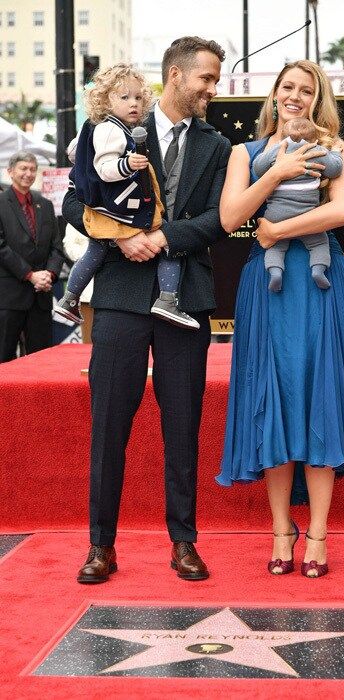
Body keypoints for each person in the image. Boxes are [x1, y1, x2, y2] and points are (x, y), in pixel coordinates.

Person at [62, 36, 231, 583]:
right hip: (118, 295)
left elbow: (219, 220)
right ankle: (100, 546)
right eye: (205, 78)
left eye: (215, 79)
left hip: (187, 298)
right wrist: (119, 236)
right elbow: (72, 199)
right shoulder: (111, 128)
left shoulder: (218, 145)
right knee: (109, 425)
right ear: (175, 76)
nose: (212, 88)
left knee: (183, 426)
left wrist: (159, 238)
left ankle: (184, 542)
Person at [217, 60, 344, 578]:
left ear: (317, 99)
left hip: (323, 289)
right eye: (288, 87)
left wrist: (278, 233)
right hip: (268, 291)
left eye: (307, 90)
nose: (296, 96)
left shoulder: (332, 150)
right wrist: (279, 174)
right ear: (274, 94)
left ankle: (320, 536)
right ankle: (281, 531)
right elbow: (230, 216)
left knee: (320, 397)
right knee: (275, 401)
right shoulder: (245, 153)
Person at [55, 63, 198, 331]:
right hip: (120, 208)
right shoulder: (111, 129)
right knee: (168, 241)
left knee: (95, 251)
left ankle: (69, 298)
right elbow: (105, 169)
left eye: (138, 97)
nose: (133, 103)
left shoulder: (96, 127)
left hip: (105, 209)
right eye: (124, 97)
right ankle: (167, 300)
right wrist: (128, 164)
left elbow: (75, 152)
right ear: (105, 100)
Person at [253, 116, 342, 291]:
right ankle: (318, 270)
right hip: (306, 215)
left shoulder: (278, 149)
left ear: (283, 137)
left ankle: (275, 272)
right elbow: (335, 169)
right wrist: (336, 153)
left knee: (275, 246)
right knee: (319, 243)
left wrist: (271, 156)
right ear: (314, 139)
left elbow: (257, 168)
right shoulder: (316, 150)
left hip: (276, 215)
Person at [0, 151, 64, 362]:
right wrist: (29, 274)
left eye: (32, 169)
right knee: (4, 360)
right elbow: (1, 247)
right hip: (9, 297)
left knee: (40, 361)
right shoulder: (1, 203)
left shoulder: (44, 205)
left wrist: (50, 274)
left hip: (41, 296)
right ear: (10, 172)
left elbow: (57, 247)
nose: (28, 174)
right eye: (23, 168)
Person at [62, 223, 94, 343]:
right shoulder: (77, 212)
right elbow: (69, 245)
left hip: (115, 292)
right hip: (88, 292)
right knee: (88, 342)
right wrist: (91, 256)